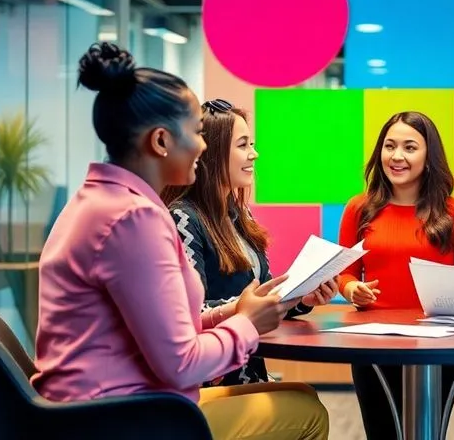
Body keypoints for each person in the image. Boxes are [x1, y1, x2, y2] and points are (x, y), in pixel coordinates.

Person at [31, 42, 329, 440]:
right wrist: (246, 325)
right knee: (305, 411)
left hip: (103, 406)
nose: (203, 147)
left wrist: (234, 313)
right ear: (160, 141)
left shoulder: (103, 202)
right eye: (197, 132)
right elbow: (181, 365)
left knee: (295, 395)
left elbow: (168, 330)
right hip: (118, 419)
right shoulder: (133, 219)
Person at [161, 98, 339, 387]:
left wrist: (303, 298)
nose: (254, 154)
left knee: (304, 397)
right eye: (243, 145)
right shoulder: (183, 218)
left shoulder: (239, 214)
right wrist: (244, 307)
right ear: (213, 154)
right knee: (305, 405)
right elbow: (189, 313)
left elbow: (264, 294)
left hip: (248, 373)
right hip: (213, 380)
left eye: (252, 144)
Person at [336, 111, 454, 440]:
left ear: (429, 156)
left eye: (409, 147)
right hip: (371, 340)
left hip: (440, 345)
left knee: (429, 432)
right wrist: (351, 288)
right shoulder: (358, 209)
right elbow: (343, 274)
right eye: (389, 146)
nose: (397, 156)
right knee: (382, 431)